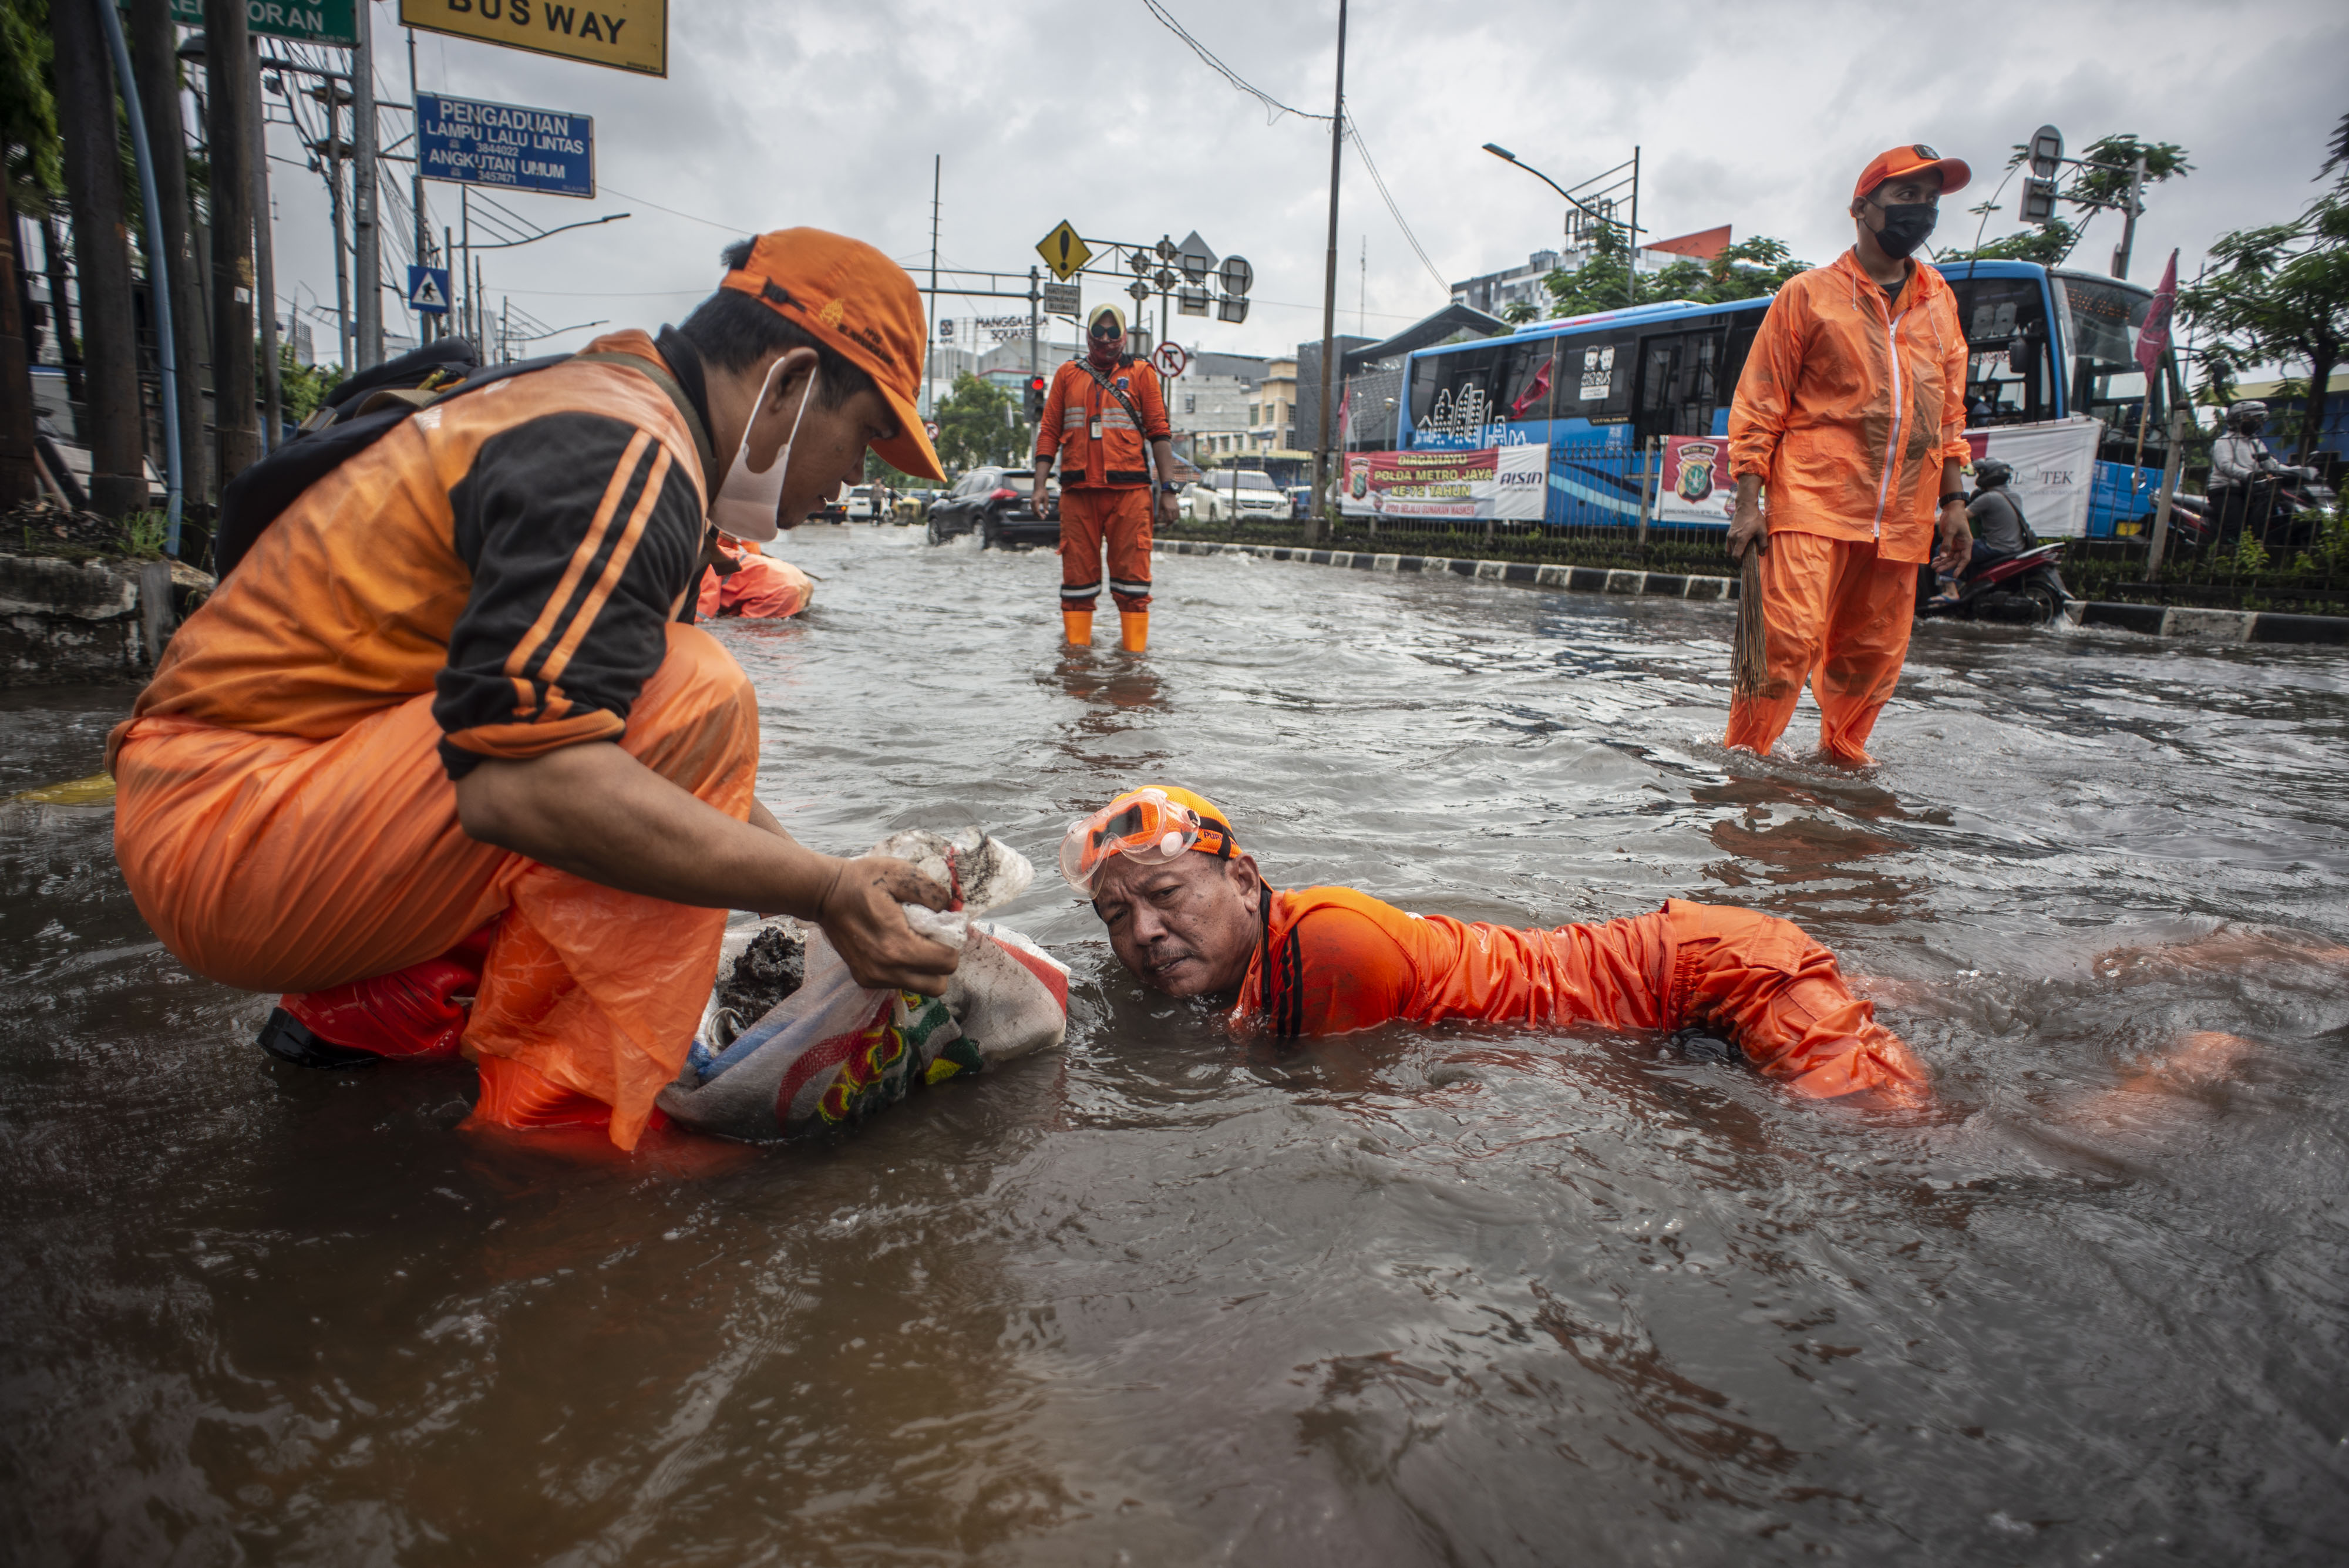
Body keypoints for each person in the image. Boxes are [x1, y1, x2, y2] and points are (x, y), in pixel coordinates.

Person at [107, 228, 960, 1150]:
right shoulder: (630, 450)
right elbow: (531, 780)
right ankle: (566, 1132)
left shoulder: (604, 402)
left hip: (250, 802)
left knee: (648, 711)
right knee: (701, 692)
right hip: (228, 831)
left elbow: (627, 749)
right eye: (867, 434)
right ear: (790, 383)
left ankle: (364, 1018)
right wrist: (821, 888)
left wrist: (818, 884)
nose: (854, 478)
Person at [1063, 786, 1928, 1102]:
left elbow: (1340, 1110)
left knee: (1903, 1143)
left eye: (1166, 895)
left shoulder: (1326, 948)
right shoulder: (1271, 948)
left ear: (1246, 880)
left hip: (1710, 978)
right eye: (1116, 916)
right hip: (1675, 978)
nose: (1142, 931)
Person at [1724, 144, 1977, 766]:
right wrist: (1748, 504)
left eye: (1930, 200)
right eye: (1905, 197)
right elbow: (1761, 402)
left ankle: (1841, 762)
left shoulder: (1939, 302)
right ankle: (1746, 761)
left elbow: (1948, 412)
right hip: (1812, 497)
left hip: (1902, 516)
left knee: (1873, 655)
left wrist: (1953, 502)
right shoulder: (1806, 295)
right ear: (1862, 209)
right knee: (1786, 639)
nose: (1919, 212)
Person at [1032, 304, 1182, 652]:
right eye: (1098, 331)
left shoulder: (1143, 373)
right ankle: (1077, 667)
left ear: (1124, 335)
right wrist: (1040, 485)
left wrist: (1169, 490)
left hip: (1130, 495)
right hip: (1078, 494)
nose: (1105, 339)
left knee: (1133, 586)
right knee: (1077, 586)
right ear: (1087, 333)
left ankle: (1133, 666)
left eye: (1113, 333)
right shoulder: (1068, 374)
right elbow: (1049, 431)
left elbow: (1160, 433)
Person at [2205, 400, 2313, 548]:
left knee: (2261, 525)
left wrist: (2298, 471)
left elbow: (2271, 464)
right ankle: (2226, 557)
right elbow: (2225, 465)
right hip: (2227, 490)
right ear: (2239, 420)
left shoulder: (2255, 442)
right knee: (2235, 529)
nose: (2257, 424)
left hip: (2253, 491)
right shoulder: (2224, 442)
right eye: (2253, 420)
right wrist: (2249, 474)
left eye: (2259, 420)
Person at [697, 531, 816, 620]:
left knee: (745, 632)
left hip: (778, 588)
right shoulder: (716, 548)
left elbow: (704, 611)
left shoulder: (704, 561)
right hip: (795, 577)